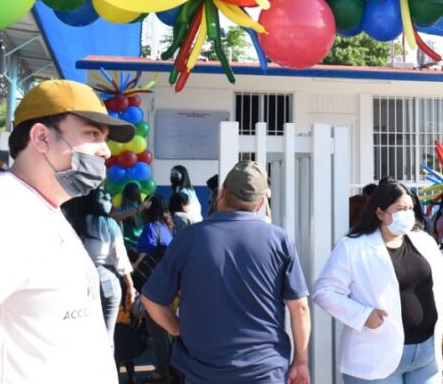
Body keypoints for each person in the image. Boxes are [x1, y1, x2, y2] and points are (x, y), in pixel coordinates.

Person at [0, 79, 133, 382]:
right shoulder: (0, 211)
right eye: (92, 134)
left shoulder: (41, 208)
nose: (106, 151)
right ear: (41, 137)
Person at [141, 161, 312, 384]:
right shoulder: (279, 240)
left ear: (222, 192)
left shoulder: (188, 238)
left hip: (202, 370)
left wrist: (176, 328)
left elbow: (151, 299)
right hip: (264, 370)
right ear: (260, 202)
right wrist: (300, 360)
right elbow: (300, 307)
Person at [313, 179, 443, 383]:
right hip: (377, 354)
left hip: (426, 356)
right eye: (399, 209)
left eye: (409, 208)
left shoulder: (423, 241)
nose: (407, 214)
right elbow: (324, 291)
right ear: (380, 213)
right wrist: (364, 315)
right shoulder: (354, 246)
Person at [64, 188, 136, 343]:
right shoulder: (109, 223)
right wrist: (130, 286)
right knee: (107, 333)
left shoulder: (74, 223)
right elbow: (120, 258)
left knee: (82, 332)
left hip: (79, 281)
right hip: (107, 280)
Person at [135, 195, 174, 382]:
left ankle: (161, 370)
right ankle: (168, 365)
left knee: (155, 328)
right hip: (167, 285)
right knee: (167, 328)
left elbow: (143, 257)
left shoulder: (150, 228)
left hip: (152, 286)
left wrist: (130, 271)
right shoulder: (167, 229)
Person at [112, 181, 151, 250]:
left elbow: (113, 218)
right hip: (142, 245)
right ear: (139, 194)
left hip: (126, 245)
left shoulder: (121, 209)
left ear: (124, 194)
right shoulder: (144, 209)